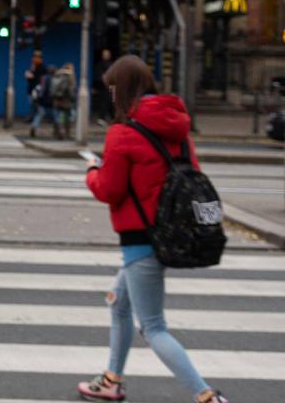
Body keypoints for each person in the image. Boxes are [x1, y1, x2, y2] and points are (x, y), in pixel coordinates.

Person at [77, 55, 230, 403]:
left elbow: (110, 190)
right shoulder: (179, 130)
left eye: (111, 88)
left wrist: (92, 172)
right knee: (118, 304)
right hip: (172, 233)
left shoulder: (122, 133)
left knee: (153, 326)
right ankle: (112, 380)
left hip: (140, 239)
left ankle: (205, 396)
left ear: (122, 90)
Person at [30, 64, 59, 138]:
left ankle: (34, 127)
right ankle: (57, 130)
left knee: (39, 114)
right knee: (55, 115)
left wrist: (39, 98)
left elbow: (40, 88)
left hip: (42, 100)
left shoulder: (43, 78)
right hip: (52, 100)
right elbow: (55, 90)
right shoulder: (55, 79)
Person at [51, 62, 77, 140]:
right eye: (72, 68)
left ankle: (57, 132)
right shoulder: (68, 76)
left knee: (57, 117)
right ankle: (66, 133)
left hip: (56, 99)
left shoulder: (58, 74)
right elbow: (68, 89)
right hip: (66, 100)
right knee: (67, 118)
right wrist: (73, 98)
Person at [24, 51, 48, 122]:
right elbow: (30, 78)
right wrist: (28, 76)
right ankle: (33, 118)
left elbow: (40, 79)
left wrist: (32, 76)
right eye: (33, 57)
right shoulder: (33, 66)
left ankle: (33, 119)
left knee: (37, 106)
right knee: (33, 105)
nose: (33, 59)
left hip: (38, 90)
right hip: (31, 89)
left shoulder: (42, 67)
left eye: (35, 57)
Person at [94, 48, 114, 122]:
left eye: (107, 54)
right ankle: (102, 118)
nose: (106, 56)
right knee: (103, 101)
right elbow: (99, 76)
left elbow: (113, 75)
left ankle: (112, 117)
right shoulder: (100, 64)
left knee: (112, 101)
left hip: (111, 87)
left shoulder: (112, 64)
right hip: (103, 87)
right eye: (104, 54)